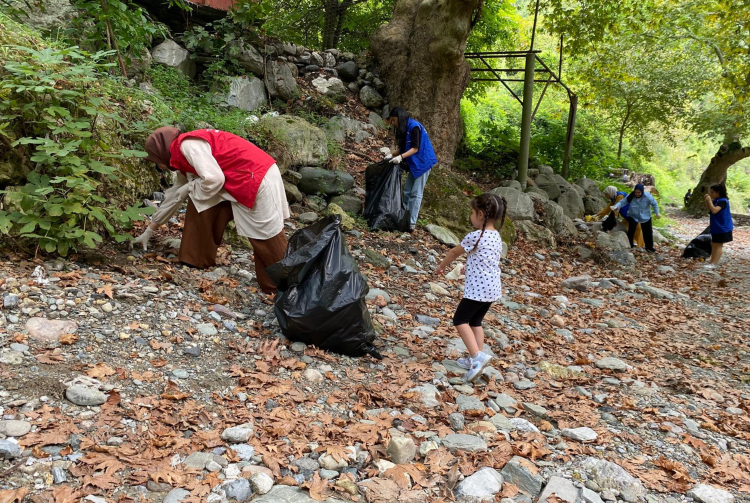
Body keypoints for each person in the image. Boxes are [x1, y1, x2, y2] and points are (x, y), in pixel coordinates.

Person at [133, 127, 290, 294]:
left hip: (256, 177)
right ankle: (196, 257)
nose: (158, 166)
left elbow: (214, 179)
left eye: (155, 161)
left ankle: (291, 283)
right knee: (199, 197)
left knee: (265, 236)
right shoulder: (181, 160)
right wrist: (149, 231)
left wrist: (190, 187)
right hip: (237, 179)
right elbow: (174, 197)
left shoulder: (188, 146)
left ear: (160, 152)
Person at [436, 194, 506, 383]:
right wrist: (470, 267)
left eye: (472, 212)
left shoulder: (475, 236)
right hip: (492, 289)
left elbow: (453, 252)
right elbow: (488, 259)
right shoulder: (496, 236)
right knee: (476, 322)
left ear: (481, 214)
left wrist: (441, 266)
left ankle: (477, 358)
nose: (471, 216)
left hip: (478, 290)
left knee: (460, 320)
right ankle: (476, 357)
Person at [383, 107, 438, 231]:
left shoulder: (414, 127)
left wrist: (401, 158)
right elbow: (403, 148)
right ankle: (404, 218)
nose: (393, 123)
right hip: (414, 164)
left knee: (415, 193)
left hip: (423, 162)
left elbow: (415, 148)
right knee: (407, 191)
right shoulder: (405, 129)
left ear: (399, 117)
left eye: (393, 120)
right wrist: (392, 155)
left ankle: (411, 223)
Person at [611, 183, 660, 253]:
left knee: (648, 232)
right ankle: (630, 245)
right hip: (633, 215)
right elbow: (622, 202)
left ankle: (649, 248)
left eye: (639, 192)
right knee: (631, 231)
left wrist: (657, 213)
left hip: (645, 216)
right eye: (636, 192)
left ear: (642, 191)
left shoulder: (647, 196)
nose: (637, 194)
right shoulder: (631, 196)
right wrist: (616, 206)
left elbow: (654, 204)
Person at [703, 183, 733, 268]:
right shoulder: (716, 200)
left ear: (718, 192)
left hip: (723, 227)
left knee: (718, 245)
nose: (710, 194)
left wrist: (709, 200)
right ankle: (712, 261)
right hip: (716, 226)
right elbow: (709, 208)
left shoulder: (723, 201)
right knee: (714, 244)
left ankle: (714, 264)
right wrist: (707, 201)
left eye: (712, 192)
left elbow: (714, 210)